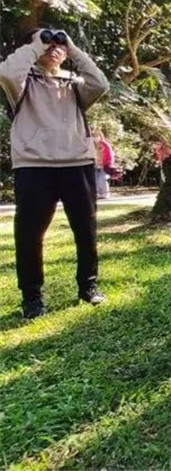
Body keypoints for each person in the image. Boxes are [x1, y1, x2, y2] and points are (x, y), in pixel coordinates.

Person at [0, 28, 109, 319]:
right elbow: (7, 72)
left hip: (76, 162)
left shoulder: (74, 83)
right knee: (30, 234)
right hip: (34, 165)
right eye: (46, 43)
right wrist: (37, 45)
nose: (53, 47)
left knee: (85, 230)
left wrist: (72, 49)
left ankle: (88, 285)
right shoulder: (23, 82)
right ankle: (32, 297)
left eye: (58, 43)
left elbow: (100, 84)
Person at [92, 130, 115, 200]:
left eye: (97, 136)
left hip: (104, 165)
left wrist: (108, 163)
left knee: (102, 180)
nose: (95, 138)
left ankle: (105, 193)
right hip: (96, 165)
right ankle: (98, 193)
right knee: (95, 180)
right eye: (94, 137)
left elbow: (110, 155)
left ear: (100, 136)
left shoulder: (105, 144)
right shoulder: (93, 145)